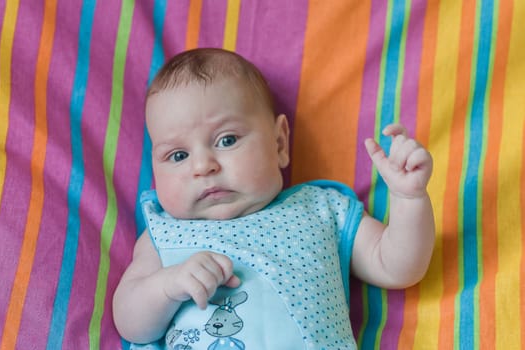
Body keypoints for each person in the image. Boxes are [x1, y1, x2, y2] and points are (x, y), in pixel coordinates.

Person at [113, 48, 435, 349]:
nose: (203, 166)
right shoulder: (165, 232)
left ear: (280, 143)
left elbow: (398, 266)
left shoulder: (320, 209)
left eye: (227, 140)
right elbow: (129, 321)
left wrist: (408, 198)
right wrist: (168, 286)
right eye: (178, 155)